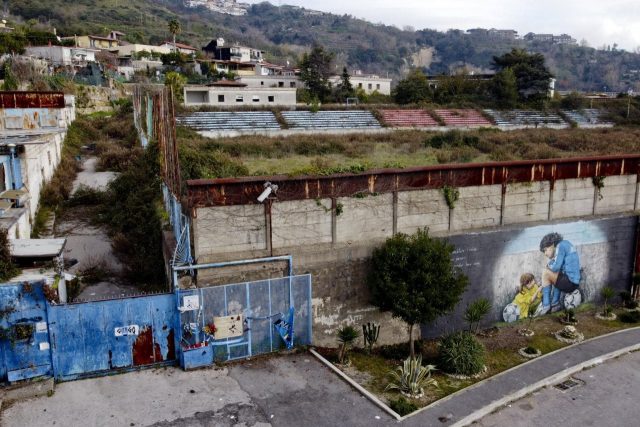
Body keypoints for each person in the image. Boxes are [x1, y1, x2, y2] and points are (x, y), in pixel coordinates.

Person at [539, 232, 581, 315]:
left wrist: (548, 265)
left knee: (545, 272)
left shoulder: (560, 246)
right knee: (556, 275)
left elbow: (556, 267)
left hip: (570, 282)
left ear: (551, 244)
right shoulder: (565, 244)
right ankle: (555, 304)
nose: (545, 254)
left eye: (545, 250)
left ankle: (546, 305)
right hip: (574, 282)